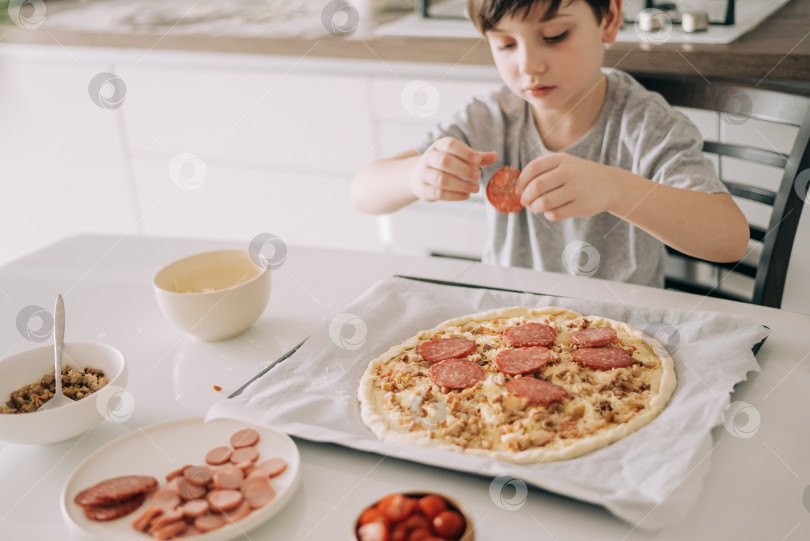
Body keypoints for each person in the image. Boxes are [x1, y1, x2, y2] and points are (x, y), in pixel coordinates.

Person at [350, 0, 749, 287]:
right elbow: (364, 193)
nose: (528, 65)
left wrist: (615, 189)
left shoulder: (646, 124)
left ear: (608, 18)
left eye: (554, 36)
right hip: (508, 328)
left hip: (623, 335)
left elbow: (729, 238)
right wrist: (415, 175)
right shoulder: (488, 118)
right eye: (506, 44)